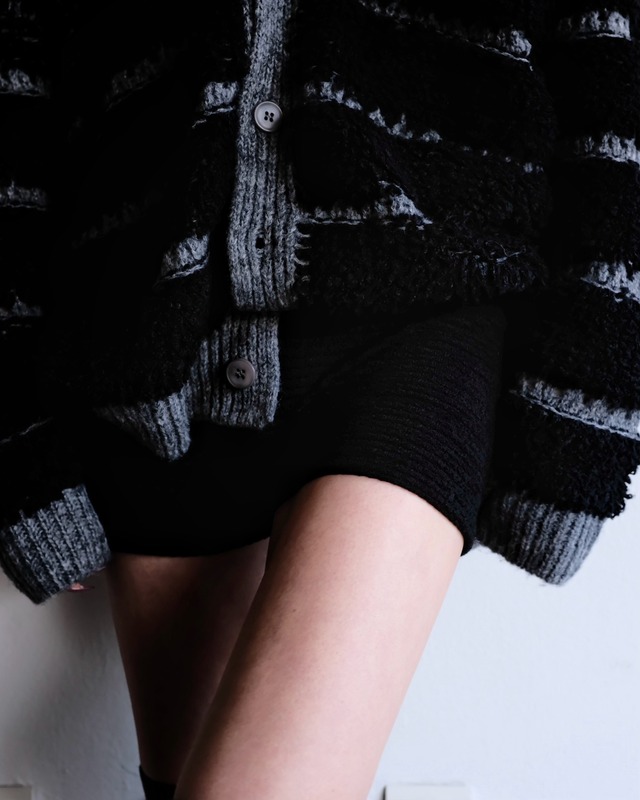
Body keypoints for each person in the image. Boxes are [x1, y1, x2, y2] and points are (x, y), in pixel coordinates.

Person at [1, 1, 639, 798]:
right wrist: (21, 448)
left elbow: (612, 97)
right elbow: (13, 94)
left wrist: (581, 421)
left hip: (411, 327)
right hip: (149, 359)